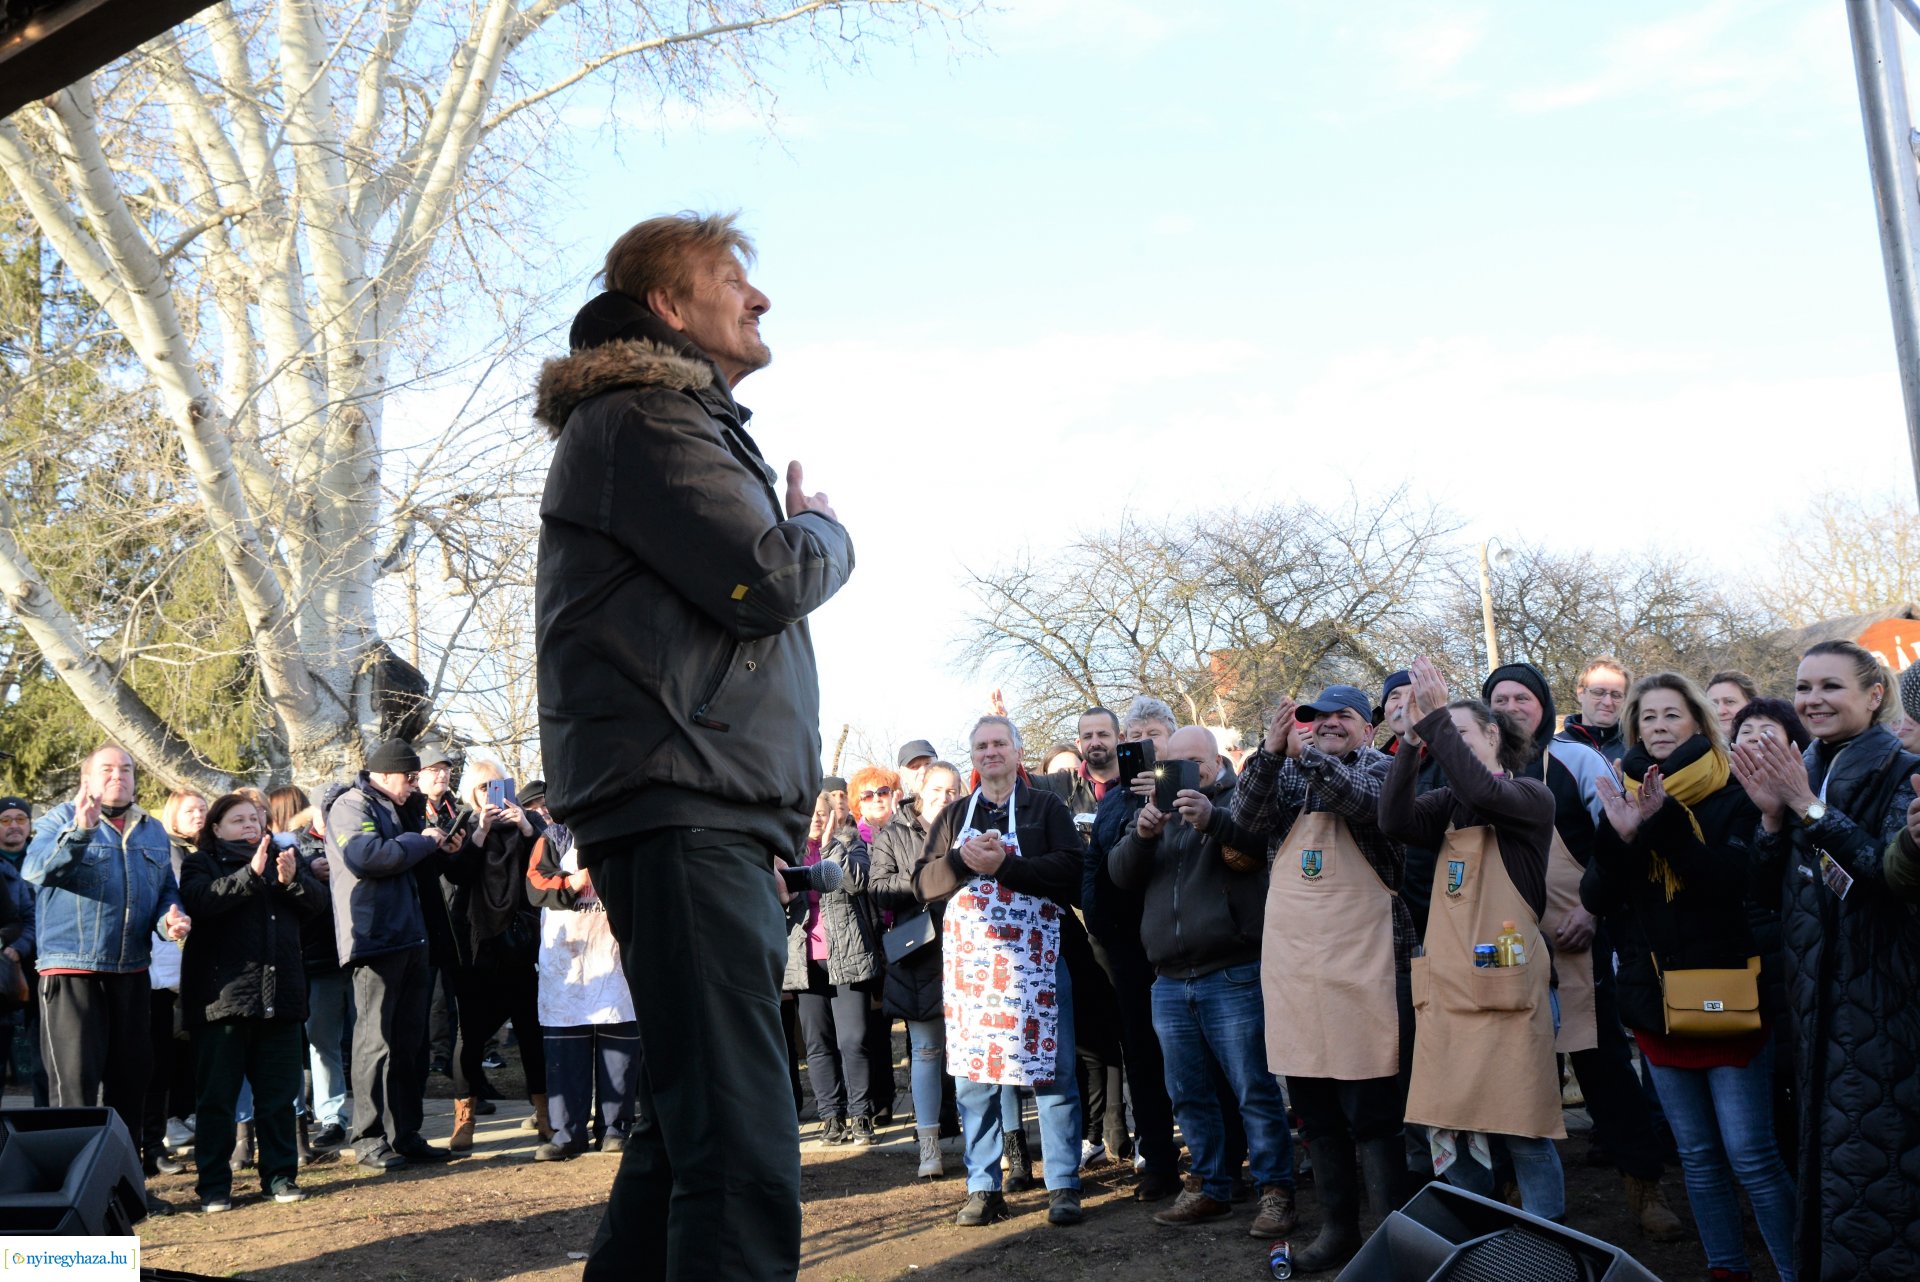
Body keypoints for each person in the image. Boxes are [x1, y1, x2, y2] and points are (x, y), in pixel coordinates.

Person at [534, 211, 852, 1282]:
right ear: (668, 305)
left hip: (697, 803)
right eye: (732, 280)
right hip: (683, 804)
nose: (759, 299)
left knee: (687, 1124)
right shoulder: (644, 417)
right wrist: (824, 530)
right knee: (741, 1132)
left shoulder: (660, 421)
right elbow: (768, 577)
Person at [1586, 674, 1796, 1281]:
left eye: (1671, 716)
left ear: (1699, 725)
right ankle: (1725, 1269)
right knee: (1699, 1159)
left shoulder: (1731, 791)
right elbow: (1598, 897)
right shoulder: (1620, 794)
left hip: (1726, 996)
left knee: (1751, 1156)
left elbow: (1731, 888)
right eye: (1646, 718)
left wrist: (1664, 824)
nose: (1657, 727)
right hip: (1656, 1004)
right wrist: (1622, 835)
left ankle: (1790, 1267)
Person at [1732, 640, 1920, 1281]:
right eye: (1804, 686)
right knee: (1831, 1178)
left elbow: (1887, 878)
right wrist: (1770, 821)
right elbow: (1763, 894)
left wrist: (1809, 806)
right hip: (1816, 1006)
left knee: (1880, 1182)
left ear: (1874, 695)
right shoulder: (1803, 765)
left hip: (1885, 1006)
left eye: (1831, 686)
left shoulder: (1900, 771)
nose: (1813, 699)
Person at [1483, 661, 1684, 1239]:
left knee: (1606, 1073)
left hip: (1575, 936)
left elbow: (1621, 842)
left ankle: (1644, 1187)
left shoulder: (1575, 761)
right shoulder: (1473, 769)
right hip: (1503, 945)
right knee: (1515, 1072)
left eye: (1524, 697)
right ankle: (1515, 1189)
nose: (1513, 706)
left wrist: (1592, 912)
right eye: (1501, 697)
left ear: (1544, 706)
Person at [1230, 686, 1410, 1271]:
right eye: (1317, 716)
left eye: (1343, 716)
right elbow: (1245, 822)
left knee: (1373, 1112)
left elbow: (1357, 802)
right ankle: (1338, 1231)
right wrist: (1268, 752)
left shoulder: (1385, 768)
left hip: (1368, 966)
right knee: (1316, 1111)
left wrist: (1305, 754)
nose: (1328, 724)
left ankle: (1388, 1236)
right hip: (1297, 968)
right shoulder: (1284, 772)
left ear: (1367, 725)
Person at [1380, 659, 1566, 1220]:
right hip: (1451, 997)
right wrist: (1411, 745)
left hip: (1509, 1000)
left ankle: (1549, 1244)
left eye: (1457, 731)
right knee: (1453, 1131)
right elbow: (1393, 822)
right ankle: (1477, 1244)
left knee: (1524, 1131)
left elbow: (1484, 792)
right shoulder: (1447, 808)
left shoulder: (1531, 798)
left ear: (1491, 734)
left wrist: (1434, 717)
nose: (1446, 739)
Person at [1109, 724, 1298, 1240]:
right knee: (1187, 1093)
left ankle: (1276, 1190)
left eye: (1196, 760)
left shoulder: (1244, 799)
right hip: (1168, 977)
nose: (1186, 771)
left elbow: (1259, 849)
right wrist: (1143, 835)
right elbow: (1119, 876)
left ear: (1217, 761)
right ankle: (1210, 1186)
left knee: (1253, 1090)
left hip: (1233, 970)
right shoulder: (1153, 808)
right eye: (1175, 761)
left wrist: (1214, 821)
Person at [915, 715, 1086, 1228]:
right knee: (973, 1082)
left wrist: (1005, 868)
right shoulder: (953, 815)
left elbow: (1072, 869)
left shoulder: (1046, 807)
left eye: (999, 744)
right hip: (974, 972)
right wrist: (963, 863)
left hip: (1036, 966)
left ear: (1016, 752)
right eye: (981, 746)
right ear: (973, 757)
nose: (990, 753)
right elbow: (923, 883)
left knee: (1053, 1074)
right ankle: (983, 1187)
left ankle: (1063, 1184)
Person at [25, 745, 192, 1216]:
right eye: (108, 769)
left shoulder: (152, 830)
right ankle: (69, 1200)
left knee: (131, 1083)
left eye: (127, 769)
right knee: (73, 1091)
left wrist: (170, 919)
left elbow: (165, 892)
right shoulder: (57, 818)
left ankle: (127, 1193)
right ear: (88, 778)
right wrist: (79, 830)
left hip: (131, 972)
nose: (119, 776)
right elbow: (36, 871)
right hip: (70, 969)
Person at [179, 792, 325, 1212]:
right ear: (216, 829)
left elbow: (317, 906)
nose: (249, 824)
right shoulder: (199, 864)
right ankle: (214, 1186)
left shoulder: (285, 859)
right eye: (238, 819)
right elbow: (202, 903)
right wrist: (250, 873)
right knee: (218, 1099)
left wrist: (291, 879)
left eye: (255, 817)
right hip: (222, 1000)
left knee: (279, 1097)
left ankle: (279, 1177)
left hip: (281, 999)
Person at [324, 738, 457, 1171]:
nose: (415, 784)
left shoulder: (405, 807)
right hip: (376, 939)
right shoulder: (351, 805)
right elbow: (367, 856)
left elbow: (414, 864)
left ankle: (406, 1134)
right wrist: (422, 840)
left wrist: (443, 844)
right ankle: (367, 1137)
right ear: (383, 774)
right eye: (409, 776)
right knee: (374, 1041)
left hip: (413, 937)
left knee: (410, 1045)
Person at [1079, 696, 1184, 1201]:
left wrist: (1163, 795)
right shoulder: (1114, 800)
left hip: (1189, 944)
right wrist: (1099, 924)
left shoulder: (1193, 787)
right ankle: (1159, 1162)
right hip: (1128, 947)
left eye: (1152, 738)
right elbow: (1099, 869)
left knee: (1197, 1057)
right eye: (1133, 740)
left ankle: (1223, 1158)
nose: (1141, 748)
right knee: (1141, 1056)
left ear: (1173, 739)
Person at [525, 789, 639, 1161]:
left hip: (614, 956)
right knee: (566, 1051)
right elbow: (536, 885)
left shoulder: (626, 832)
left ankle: (615, 1127)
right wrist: (574, 882)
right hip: (568, 962)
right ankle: (566, 1132)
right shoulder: (553, 838)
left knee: (619, 1052)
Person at [444, 762, 547, 1153]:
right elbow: (455, 874)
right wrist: (482, 831)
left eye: (498, 785)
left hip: (520, 945)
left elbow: (544, 862)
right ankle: (464, 1119)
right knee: (469, 1037)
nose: (492, 794)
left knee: (532, 1034)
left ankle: (545, 1115)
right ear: (472, 792)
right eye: (484, 787)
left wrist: (524, 826)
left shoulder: (528, 826)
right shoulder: (466, 826)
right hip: (476, 947)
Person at [871, 760, 962, 1178]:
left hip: (970, 949)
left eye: (953, 790)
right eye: (939, 789)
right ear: (921, 791)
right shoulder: (894, 832)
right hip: (919, 951)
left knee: (970, 1055)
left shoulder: (971, 825)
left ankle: (986, 1142)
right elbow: (877, 889)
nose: (946, 797)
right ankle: (930, 1149)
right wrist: (929, 879)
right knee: (926, 1052)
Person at [784, 777, 884, 1147]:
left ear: (833, 815)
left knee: (854, 1040)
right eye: (809, 814)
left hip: (848, 955)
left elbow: (857, 883)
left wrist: (830, 848)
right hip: (806, 959)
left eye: (822, 813)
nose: (815, 819)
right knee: (817, 1043)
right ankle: (831, 1117)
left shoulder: (852, 843)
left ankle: (861, 1114)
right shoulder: (788, 852)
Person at [0, 798, 38, 1107]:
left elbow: (35, 915)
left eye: (20, 819)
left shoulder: (45, 856)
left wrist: (20, 946)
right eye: (5, 820)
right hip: (4, 969)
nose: (14, 825)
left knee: (41, 1052)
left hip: (40, 967)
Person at [1562, 658, 1631, 763]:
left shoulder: (1636, 750)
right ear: (1581, 693)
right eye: (1598, 692)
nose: (1608, 702)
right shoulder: (1553, 749)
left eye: (1616, 695)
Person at [1706, 671, 1759, 740]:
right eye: (1713, 704)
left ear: (1751, 705)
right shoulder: (1695, 749)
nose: (1720, 711)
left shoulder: (1771, 747)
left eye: (1730, 702)